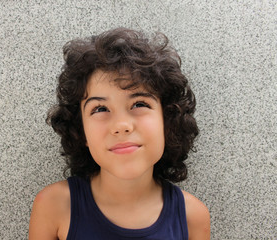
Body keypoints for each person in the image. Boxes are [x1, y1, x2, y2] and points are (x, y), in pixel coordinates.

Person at [29, 28, 210, 240]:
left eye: (139, 104)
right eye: (100, 109)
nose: (121, 126)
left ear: (167, 119)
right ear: (81, 131)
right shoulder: (53, 206)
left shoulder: (193, 217)